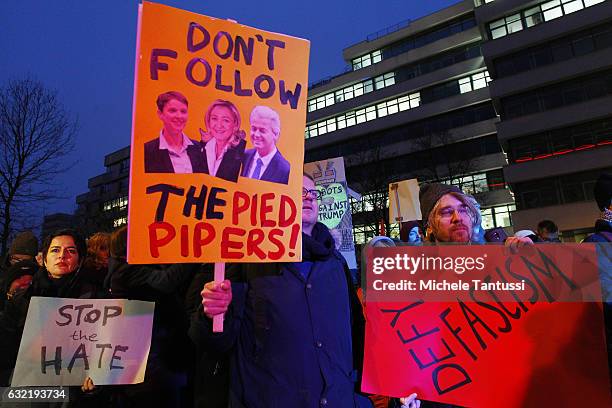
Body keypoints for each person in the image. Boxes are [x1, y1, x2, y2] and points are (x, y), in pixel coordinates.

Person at [191, 174, 372, 407]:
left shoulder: (335, 262)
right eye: (298, 192)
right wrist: (213, 313)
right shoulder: (247, 259)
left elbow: (356, 332)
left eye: (312, 192)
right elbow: (215, 343)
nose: (308, 197)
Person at [0, 229, 100, 397]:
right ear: (44, 259)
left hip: (75, 395)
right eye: (55, 250)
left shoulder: (97, 301)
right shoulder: (21, 302)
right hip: (28, 394)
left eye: (71, 251)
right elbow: (5, 350)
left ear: (80, 260)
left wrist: (97, 382)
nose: (62, 256)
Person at [104, 226, 196, 407]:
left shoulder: (125, 269)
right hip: (152, 360)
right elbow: (166, 281)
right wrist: (194, 253)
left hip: (156, 356)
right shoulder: (126, 271)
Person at [144, 91, 207, 173]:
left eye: (183, 111)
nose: (179, 116)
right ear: (160, 114)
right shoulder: (147, 151)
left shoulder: (199, 149)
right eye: (172, 111)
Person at [199, 99, 246, 182]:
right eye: (214, 118)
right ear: (208, 121)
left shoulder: (243, 151)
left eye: (226, 120)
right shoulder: (202, 147)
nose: (219, 125)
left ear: (235, 124)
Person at [241, 105, 290, 184]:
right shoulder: (244, 155)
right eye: (254, 129)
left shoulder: (284, 169)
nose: (256, 134)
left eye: (262, 130)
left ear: (276, 134)